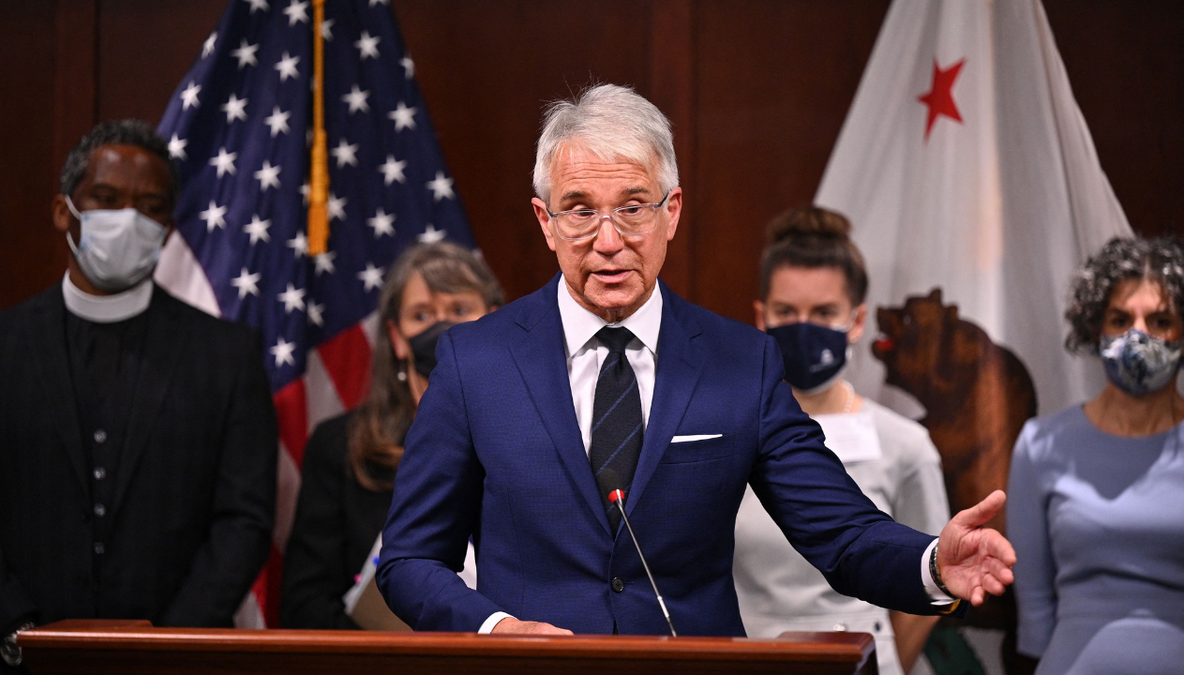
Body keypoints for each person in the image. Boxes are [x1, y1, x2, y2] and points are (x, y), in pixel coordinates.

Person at [377, 83, 1015, 637]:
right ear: (546, 222)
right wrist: (496, 629)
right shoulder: (474, 361)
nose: (608, 241)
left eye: (632, 207)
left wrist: (934, 565)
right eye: (579, 211)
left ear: (671, 212)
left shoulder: (743, 363)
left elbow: (842, 533)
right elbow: (410, 559)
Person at [0, 120, 277, 672]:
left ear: (167, 229)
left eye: (150, 206)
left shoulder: (226, 355)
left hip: (176, 657)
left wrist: (169, 646)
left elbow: (244, 519)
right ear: (62, 211)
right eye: (107, 198)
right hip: (16, 655)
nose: (128, 220)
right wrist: (14, 630)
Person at [734, 207, 949, 673]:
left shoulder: (905, 444)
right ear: (761, 317)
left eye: (824, 312)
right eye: (787, 312)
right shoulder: (726, 433)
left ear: (856, 320)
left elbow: (933, 576)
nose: (804, 327)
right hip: (747, 657)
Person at [280, 242, 503, 629]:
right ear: (397, 337)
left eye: (460, 311)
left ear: (494, 322)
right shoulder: (342, 446)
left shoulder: (534, 431)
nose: (442, 327)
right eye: (422, 314)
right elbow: (306, 601)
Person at [1008, 236, 1184, 675]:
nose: (1138, 336)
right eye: (1120, 319)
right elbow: (1033, 605)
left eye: (1160, 320)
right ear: (1096, 329)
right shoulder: (1041, 444)